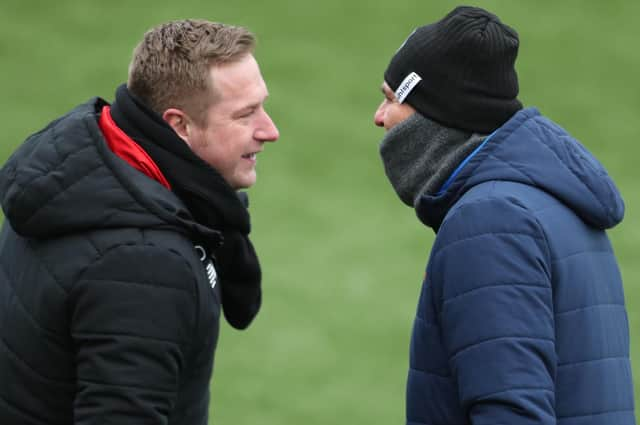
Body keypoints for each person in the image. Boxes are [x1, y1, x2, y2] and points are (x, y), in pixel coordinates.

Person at [0, 19, 278, 424]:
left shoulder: (81, 169)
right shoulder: (147, 265)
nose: (269, 130)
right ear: (178, 125)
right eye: (245, 114)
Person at [374, 6, 635, 425]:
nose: (379, 117)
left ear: (440, 112)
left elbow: (511, 412)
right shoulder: (557, 205)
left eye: (391, 99)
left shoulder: (490, 221)